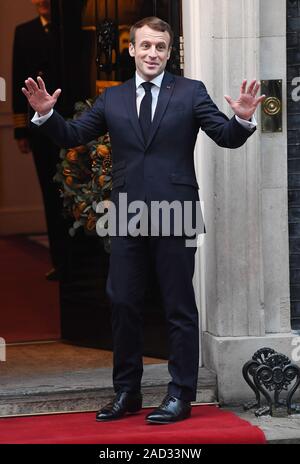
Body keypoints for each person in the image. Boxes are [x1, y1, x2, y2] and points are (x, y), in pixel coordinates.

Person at [22, 17, 265, 424]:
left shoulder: (190, 93)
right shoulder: (112, 99)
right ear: (132, 49)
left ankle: (180, 393)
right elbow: (73, 135)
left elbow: (224, 135)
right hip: (129, 215)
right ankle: (127, 392)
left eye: (162, 48)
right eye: (146, 46)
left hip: (178, 213)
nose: (154, 53)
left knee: (178, 305)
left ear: (170, 53)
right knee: (123, 301)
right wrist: (48, 116)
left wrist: (240, 119)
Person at [12, 0, 68, 280]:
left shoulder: (70, 30)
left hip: (70, 124)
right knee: (49, 193)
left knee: (71, 194)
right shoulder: (24, 32)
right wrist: (20, 130)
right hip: (38, 129)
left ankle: (75, 259)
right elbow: (15, 78)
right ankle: (59, 260)